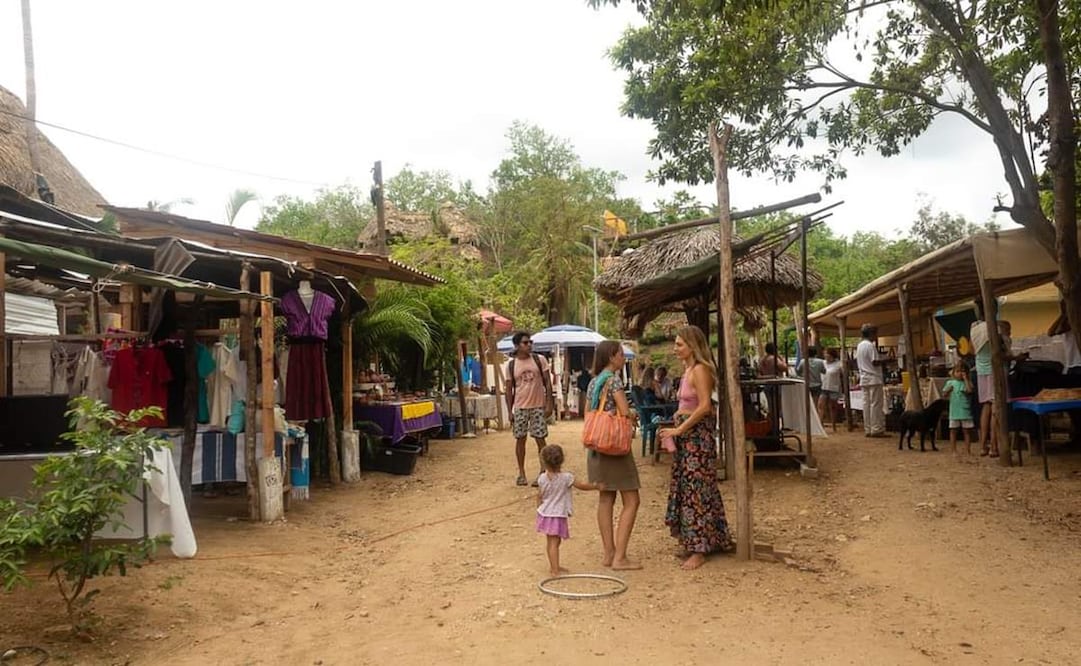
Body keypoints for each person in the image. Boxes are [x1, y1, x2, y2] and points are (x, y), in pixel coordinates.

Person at [658, 325, 733, 570]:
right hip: (687, 439)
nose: (676, 348)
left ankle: (700, 547)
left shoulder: (701, 370)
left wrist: (679, 429)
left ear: (693, 345)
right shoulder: (688, 369)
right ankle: (695, 540)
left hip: (697, 440)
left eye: (680, 344)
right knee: (688, 487)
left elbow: (704, 407)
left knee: (697, 490)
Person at [585, 341, 643, 571]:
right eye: (620, 354)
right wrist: (633, 415)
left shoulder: (593, 382)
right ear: (611, 356)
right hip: (614, 448)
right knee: (632, 500)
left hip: (596, 447)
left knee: (605, 498)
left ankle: (609, 552)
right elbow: (624, 412)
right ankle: (620, 557)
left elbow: (588, 412)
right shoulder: (614, 380)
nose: (623, 358)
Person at [535, 444, 604, 576]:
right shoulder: (566, 477)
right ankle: (555, 570)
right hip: (556, 515)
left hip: (546, 513)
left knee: (553, 542)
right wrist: (596, 486)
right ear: (561, 460)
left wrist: (539, 508)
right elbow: (582, 486)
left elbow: (539, 495)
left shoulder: (542, 478)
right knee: (554, 542)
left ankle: (555, 566)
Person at [504, 331, 553, 486]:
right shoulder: (511, 365)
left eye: (530, 342)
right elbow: (508, 389)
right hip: (520, 407)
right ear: (517, 346)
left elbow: (548, 383)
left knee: (540, 439)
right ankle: (521, 473)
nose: (529, 345)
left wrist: (549, 403)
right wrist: (509, 411)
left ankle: (543, 472)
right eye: (525, 343)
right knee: (520, 439)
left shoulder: (540, 360)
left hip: (538, 406)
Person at [856, 324, 888, 438]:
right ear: (871, 334)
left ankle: (868, 428)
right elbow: (875, 362)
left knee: (866, 404)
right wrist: (885, 360)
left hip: (864, 378)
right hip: (874, 377)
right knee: (876, 404)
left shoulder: (859, 346)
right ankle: (876, 429)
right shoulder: (870, 345)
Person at [942, 360, 976, 454]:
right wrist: (948, 390)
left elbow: (969, 391)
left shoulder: (968, 383)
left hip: (965, 411)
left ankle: (967, 450)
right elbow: (944, 394)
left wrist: (966, 379)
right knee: (953, 431)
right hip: (954, 411)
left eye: (962, 371)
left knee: (967, 431)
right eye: (957, 371)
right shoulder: (950, 383)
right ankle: (953, 450)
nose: (960, 374)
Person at [818, 348, 843, 430]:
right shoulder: (822, 363)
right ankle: (820, 424)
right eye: (825, 354)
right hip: (823, 387)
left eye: (827, 354)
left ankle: (834, 425)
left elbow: (842, 374)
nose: (825, 356)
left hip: (833, 387)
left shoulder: (838, 364)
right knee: (821, 405)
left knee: (832, 407)